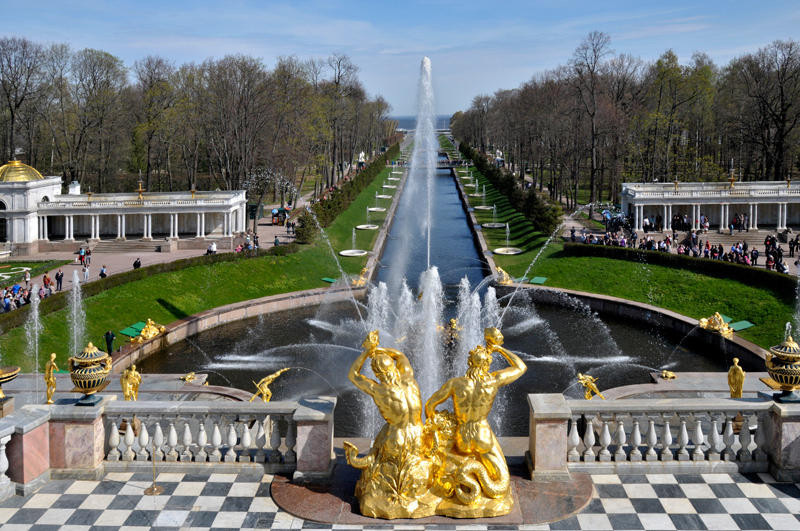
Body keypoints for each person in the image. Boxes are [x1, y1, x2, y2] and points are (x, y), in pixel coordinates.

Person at [424, 327, 525, 512]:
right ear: (487, 365)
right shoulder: (492, 381)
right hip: (482, 435)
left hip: (461, 438)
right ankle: (471, 483)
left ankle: (459, 482)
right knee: (501, 479)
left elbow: (430, 405)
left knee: (450, 456)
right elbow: (520, 367)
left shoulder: (456, 383)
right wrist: (498, 349)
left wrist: (437, 425)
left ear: (469, 362)